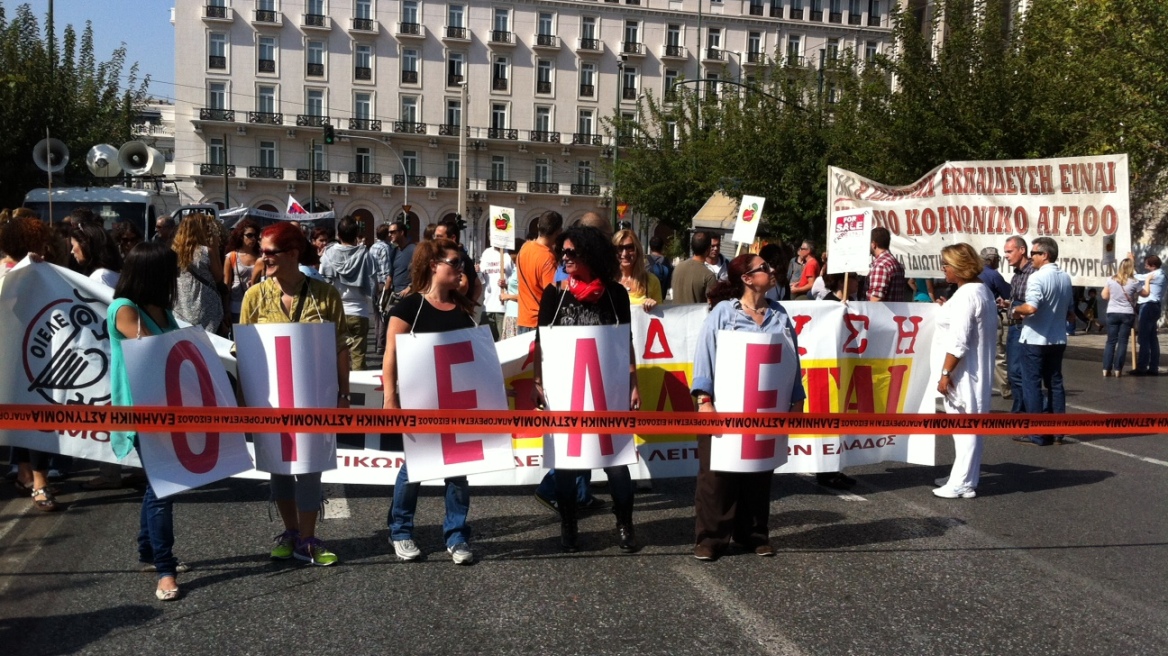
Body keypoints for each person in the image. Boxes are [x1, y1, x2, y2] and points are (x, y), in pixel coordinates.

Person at [239, 222, 350, 566]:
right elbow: (244, 351)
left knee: (310, 468)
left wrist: (343, 394)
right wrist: (245, 401)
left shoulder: (325, 294)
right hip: (269, 398)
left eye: (270, 252)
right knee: (278, 468)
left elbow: (340, 348)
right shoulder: (254, 297)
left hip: (313, 397)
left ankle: (308, 537)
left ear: (292, 254)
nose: (263, 257)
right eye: (261, 251)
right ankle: (290, 532)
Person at [531, 226, 640, 553]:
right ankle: (568, 523)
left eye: (572, 252)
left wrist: (634, 382)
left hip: (608, 391)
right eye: (562, 252)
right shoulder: (555, 294)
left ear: (591, 254)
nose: (565, 257)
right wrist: (537, 383)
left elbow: (626, 342)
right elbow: (541, 344)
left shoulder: (615, 294)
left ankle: (625, 523)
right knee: (565, 464)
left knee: (617, 463)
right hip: (567, 392)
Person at [690, 253, 806, 560]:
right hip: (725, 407)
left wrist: (798, 398)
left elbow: (793, 360)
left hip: (765, 408)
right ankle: (711, 538)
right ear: (746, 278)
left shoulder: (779, 315)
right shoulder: (723, 314)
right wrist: (704, 399)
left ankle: (753, 533)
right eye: (763, 268)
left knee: (759, 473)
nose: (770, 270)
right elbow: (705, 355)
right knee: (717, 476)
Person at [382, 238, 479, 565]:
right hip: (419, 404)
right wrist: (390, 398)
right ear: (433, 265)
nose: (460, 269)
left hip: (457, 405)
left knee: (458, 472)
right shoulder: (409, 307)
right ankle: (400, 531)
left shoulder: (464, 310)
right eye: (454, 262)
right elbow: (390, 357)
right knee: (414, 470)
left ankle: (456, 536)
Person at [107, 241, 186, 600]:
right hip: (141, 410)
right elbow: (161, 348)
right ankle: (165, 570)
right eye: (171, 270)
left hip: (165, 405)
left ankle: (147, 552)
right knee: (163, 487)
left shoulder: (161, 308)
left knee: (158, 484)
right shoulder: (124, 309)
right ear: (154, 273)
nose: (176, 276)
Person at [1, 215, 63, 511]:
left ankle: (28, 473)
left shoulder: (34, 271)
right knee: (35, 416)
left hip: (26, 355)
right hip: (28, 356)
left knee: (25, 413)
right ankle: (39, 480)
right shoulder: (19, 274)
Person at [932, 243, 997, 499]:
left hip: (965, 373)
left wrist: (946, 374)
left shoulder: (968, 294)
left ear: (958, 268)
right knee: (968, 428)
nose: (943, 269)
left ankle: (961, 483)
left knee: (964, 427)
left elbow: (959, 341)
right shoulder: (979, 291)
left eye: (946, 265)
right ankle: (965, 477)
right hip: (973, 370)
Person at [1011, 237, 1073, 446]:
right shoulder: (1065, 277)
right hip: (1057, 338)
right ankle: (1057, 431)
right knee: (1055, 383)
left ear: (1045, 255)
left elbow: (1030, 308)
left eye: (1034, 253)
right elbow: (1070, 313)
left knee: (1031, 384)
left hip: (1035, 339)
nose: (1031, 257)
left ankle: (1037, 433)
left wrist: (1014, 310)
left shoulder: (1037, 278)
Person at [319, 216, 376, 370]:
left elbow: (322, 282)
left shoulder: (327, 255)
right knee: (358, 358)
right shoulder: (366, 254)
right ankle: (357, 392)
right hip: (359, 311)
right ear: (356, 234)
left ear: (339, 234)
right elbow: (373, 283)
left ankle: (337, 390)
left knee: (335, 356)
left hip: (335, 312)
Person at [172, 214, 227, 335]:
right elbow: (218, 277)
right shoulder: (206, 251)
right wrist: (215, 249)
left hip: (181, 307)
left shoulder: (173, 252)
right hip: (207, 306)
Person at [516, 210, 563, 334]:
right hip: (539, 322)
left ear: (538, 226)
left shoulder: (524, 247)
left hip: (523, 319)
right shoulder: (548, 258)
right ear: (558, 231)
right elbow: (552, 295)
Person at [1002, 235, 1034, 413]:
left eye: (1009, 251)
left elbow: (1033, 303)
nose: (1006, 256)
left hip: (1023, 326)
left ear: (1022, 250)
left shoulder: (1033, 273)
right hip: (1015, 326)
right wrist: (1008, 304)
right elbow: (1019, 300)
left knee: (1019, 373)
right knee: (1015, 373)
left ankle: (1033, 412)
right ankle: (1020, 411)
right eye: (1005, 252)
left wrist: (1017, 310)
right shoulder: (1017, 275)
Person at [979, 246, 1012, 399]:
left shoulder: (974, 274)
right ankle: (1006, 388)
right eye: (998, 258)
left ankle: (978, 386)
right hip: (991, 317)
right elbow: (1008, 293)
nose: (999, 261)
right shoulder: (994, 275)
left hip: (975, 319)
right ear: (992, 260)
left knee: (977, 353)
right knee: (998, 354)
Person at [1101, 258, 1139, 377]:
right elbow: (1145, 293)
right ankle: (1118, 369)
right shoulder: (1134, 282)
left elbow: (1104, 296)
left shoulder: (1111, 279)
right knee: (1123, 342)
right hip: (1127, 313)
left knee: (1111, 341)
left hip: (1112, 312)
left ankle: (1106, 369)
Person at [223, 219, 262, 325]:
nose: (253, 239)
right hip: (236, 305)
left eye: (255, 236)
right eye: (249, 235)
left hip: (257, 304)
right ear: (241, 236)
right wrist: (226, 310)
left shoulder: (261, 256)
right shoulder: (232, 256)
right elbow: (226, 284)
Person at [1131, 255, 1164, 376]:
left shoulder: (1154, 275)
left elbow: (1135, 277)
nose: (1145, 266)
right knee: (1152, 338)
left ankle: (1142, 367)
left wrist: (1131, 262)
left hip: (1148, 306)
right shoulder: (1161, 274)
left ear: (1153, 266)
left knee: (1144, 338)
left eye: (1147, 264)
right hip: (1154, 306)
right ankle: (1153, 367)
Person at [614, 229, 662, 313]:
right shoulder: (607, 280)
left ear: (637, 250)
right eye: (619, 248)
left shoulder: (651, 280)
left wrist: (654, 306)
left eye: (630, 248)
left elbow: (661, 316)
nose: (624, 254)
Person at [478, 242, 514, 340]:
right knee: (487, 344)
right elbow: (482, 280)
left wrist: (506, 284)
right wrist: (477, 272)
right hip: (488, 307)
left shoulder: (509, 253)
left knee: (504, 344)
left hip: (504, 308)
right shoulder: (486, 253)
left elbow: (517, 280)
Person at [69, 222, 122, 288]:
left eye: (73, 245)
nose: (72, 251)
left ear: (85, 245)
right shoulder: (107, 274)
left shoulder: (100, 278)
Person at [672, 231, 718, 305]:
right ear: (708, 249)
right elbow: (711, 304)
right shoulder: (709, 276)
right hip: (697, 316)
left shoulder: (678, 268)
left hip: (676, 315)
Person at [368, 223, 393, 353]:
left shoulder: (372, 247)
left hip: (373, 283)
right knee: (384, 313)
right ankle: (381, 344)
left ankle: (377, 340)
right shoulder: (386, 248)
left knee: (376, 314)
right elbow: (386, 268)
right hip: (383, 283)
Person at [867, 227, 907, 302]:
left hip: (881, 312)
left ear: (873, 244)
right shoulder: (895, 262)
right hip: (896, 311)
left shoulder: (881, 265)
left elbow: (876, 298)